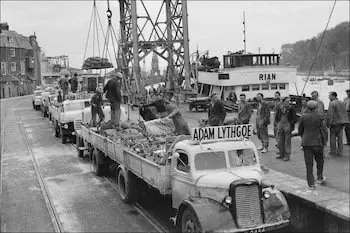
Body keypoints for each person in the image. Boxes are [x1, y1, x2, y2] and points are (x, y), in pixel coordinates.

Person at [298, 100, 328, 190]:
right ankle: (320, 177)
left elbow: (300, 129)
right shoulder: (320, 116)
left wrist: (303, 137)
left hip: (306, 143)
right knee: (320, 161)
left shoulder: (303, 116)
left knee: (309, 164)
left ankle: (311, 184)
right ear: (316, 108)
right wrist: (325, 140)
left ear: (307, 107)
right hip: (318, 142)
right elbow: (324, 129)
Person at [326, 91, 349, 157]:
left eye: (329, 96)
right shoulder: (342, 102)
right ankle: (340, 151)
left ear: (333, 96)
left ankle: (333, 151)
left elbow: (330, 114)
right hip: (342, 122)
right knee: (340, 137)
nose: (329, 97)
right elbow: (345, 112)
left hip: (334, 123)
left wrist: (328, 123)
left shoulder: (332, 103)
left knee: (332, 137)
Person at [275, 97, 297, 161]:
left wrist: (290, 125)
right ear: (283, 102)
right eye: (287, 101)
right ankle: (281, 154)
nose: (288, 103)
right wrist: (277, 123)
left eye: (289, 101)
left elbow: (294, 119)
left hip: (288, 125)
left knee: (287, 141)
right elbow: (277, 117)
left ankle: (287, 155)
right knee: (280, 141)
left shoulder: (291, 108)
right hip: (280, 125)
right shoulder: (280, 108)